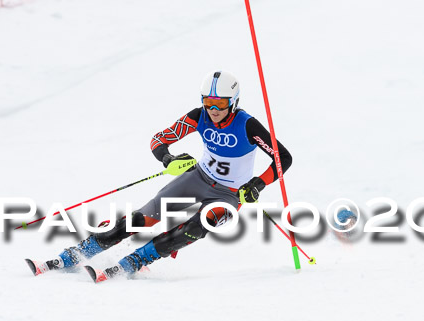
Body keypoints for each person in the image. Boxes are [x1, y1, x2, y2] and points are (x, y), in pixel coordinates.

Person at [25, 70, 293, 282]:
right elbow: (159, 139)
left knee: (195, 228)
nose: (213, 108)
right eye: (208, 102)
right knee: (141, 219)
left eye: (220, 103)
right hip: (197, 178)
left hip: (229, 194)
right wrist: (169, 159)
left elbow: (283, 157)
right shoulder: (198, 117)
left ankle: (136, 261)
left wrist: (257, 184)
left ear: (233, 101)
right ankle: (76, 253)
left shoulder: (247, 124)